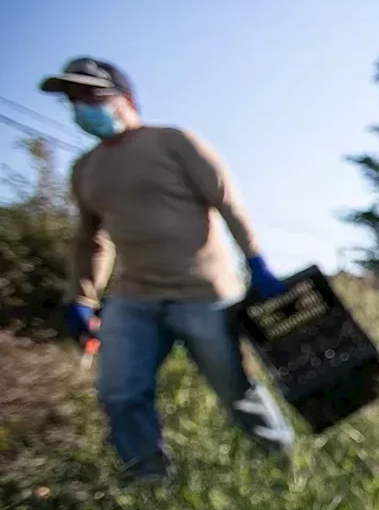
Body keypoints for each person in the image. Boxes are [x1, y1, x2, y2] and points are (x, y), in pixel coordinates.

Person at [40, 56, 295, 483]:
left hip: (205, 295)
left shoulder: (174, 142)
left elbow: (227, 201)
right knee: (120, 392)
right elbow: (91, 240)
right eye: (73, 100)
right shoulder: (85, 170)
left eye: (91, 96)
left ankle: (282, 464)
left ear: (124, 99)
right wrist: (82, 297)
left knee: (236, 391)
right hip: (134, 298)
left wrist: (257, 262)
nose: (82, 107)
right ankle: (148, 482)